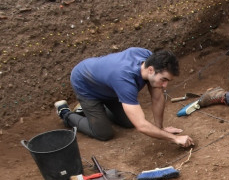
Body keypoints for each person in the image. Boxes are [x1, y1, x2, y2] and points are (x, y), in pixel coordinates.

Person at [54, 48, 193, 147]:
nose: (165, 85)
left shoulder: (148, 58)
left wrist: (160, 128)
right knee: (104, 133)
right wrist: (174, 139)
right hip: (86, 85)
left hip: (110, 87)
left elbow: (157, 98)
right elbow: (141, 125)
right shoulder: (125, 81)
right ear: (150, 70)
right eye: (163, 79)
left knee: (128, 122)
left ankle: (95, 111)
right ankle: (65, 113)